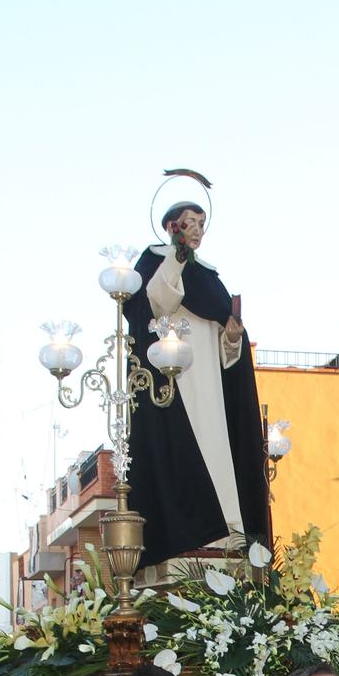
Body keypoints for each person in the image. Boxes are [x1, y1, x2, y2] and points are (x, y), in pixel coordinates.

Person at [125, 199, 272, 567]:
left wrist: (233, 336)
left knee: (217, 448)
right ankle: (189, 536)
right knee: (183, 447)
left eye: (202, 223)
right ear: (173, 226)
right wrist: (175, 256)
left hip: (210, 383)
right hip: (173, 383)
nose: (198, 230)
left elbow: (229, 354)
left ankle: (228, 532)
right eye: (190, 222)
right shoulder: (154, 261)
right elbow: (155, 302)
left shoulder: (209, 276)